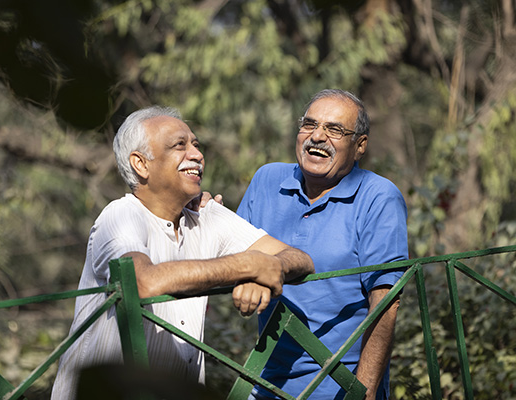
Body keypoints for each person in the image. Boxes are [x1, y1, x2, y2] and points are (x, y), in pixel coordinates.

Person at [50, 106, 314, 399]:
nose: (197, 155)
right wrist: (247, 265)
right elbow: (142, 282)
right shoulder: (120, 215)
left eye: (196, 145)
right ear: (140, 163)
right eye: (180, 145)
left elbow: (300, 258)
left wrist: (263, 272)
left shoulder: (206, 216)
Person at [236, 89, 408, 400]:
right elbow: (229, 250)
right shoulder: (267, 180)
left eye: (335, 130)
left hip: (338, 387)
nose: (317, 136)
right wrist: (201, 212)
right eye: (309, 124)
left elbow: (386, 303)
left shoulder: (378, 197)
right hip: (265, 381)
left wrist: (363, 393)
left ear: (360, 146)